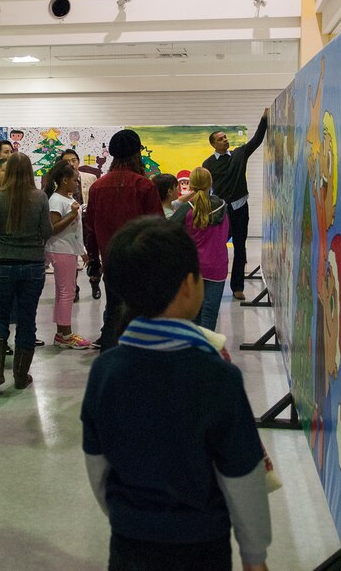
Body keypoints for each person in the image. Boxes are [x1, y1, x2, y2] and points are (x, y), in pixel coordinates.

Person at [81, 217, 271, 571]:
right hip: (202, 547)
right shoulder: (218, 377)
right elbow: (243, 476)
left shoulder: (104, 371)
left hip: (128, 545)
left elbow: (97, 465)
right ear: (189, 285)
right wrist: (254, 555)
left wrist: (129, 516)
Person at [0, 153, 52, 394]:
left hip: (3, 262)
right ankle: (21, 374)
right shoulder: (40, 197)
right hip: (32, 264)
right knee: (27, 318)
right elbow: (46, 230)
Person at [85, 129, 163, 351]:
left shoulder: (97, 187)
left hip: (110, 260)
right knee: (140, 314)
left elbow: (90, 228)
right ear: (137, 153)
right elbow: (156, 226)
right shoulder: (144, 186)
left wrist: (94, 261)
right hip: (140, 262)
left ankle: (110, 364)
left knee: (113, 311)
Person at [203, 110, 268, 301]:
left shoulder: (239, 154)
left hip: (240, 207)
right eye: (221, 139)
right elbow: (205, 190)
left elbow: (257, 140)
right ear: (214, 144)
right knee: (218, 246)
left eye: (225, 137)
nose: (225, 140)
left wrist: (263, 120)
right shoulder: (207, 164)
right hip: (220, 210)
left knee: (240, 246)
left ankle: (237, 286)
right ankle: (213, 282)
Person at [170, 167, 229, 331]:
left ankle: (193, 349)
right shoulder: (222, 207)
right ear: (211, 183)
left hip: (193, 267)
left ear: (192, 185)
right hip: (217, 266)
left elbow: (169, 230)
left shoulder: (186, 209)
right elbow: (226, 235)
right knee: (210, 313)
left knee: (193, 313)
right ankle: (207, 349)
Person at [43, 160, 92, 349]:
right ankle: (66, 333)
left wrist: (82, 251)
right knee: (66, 292)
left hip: (69, 250)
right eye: (75, 180)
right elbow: (53, 229)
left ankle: (62, 332)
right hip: (61, 250)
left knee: (64, 291)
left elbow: (75, 232)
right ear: (64, 180)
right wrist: (71, 215)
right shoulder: (56, 200)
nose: (77, 183)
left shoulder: (68, 200)